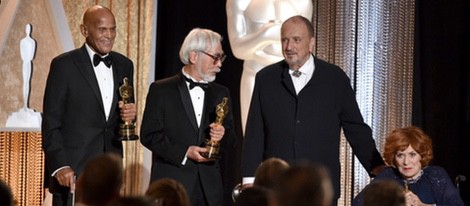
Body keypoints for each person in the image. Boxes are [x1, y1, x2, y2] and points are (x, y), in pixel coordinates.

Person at [240, 15, 386, 206]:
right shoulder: (265, 79)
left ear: (311, 42)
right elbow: (254, 133)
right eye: (285, 40)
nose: (289, 46)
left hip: (320, 188)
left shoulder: (335, 78)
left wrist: (376, 166)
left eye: (296, 40)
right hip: (276, 189)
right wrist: (249, 180)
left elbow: (356, 128)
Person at [42, 5, 136, 206]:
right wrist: (60, 166)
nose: (109, 35)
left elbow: (119, 119)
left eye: (113, 29)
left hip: (109, 175)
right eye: (102, 29)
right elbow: (51, 122)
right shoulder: (63, 65)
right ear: (85, 30)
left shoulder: (124, 64)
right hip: (72, 174)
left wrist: (130, 116)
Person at [140, 28, 236, 206]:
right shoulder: (161, 90)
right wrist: (185, 152)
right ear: (194, 56)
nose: (220, 64)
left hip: (210, 191)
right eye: (215, 57)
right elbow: (149, 135)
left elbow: (231, 138)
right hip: (173, 189)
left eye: (221, 57)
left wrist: (222, 136)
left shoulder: (221, 93)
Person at [226, 0, 313, 133]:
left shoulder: (302, 3)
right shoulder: (240, 2)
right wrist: (266, 34)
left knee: (291, 134)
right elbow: (238, 49)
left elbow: (305, 47)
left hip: (291, 74)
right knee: (253, 134)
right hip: (254, 72)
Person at [352, 126, 465, 206]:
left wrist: (422, 205)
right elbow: (357, 204)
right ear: (394, 157)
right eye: (400, 155)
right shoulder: (387, 176)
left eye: (412, 155)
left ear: (422, 155)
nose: (406, 162)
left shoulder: (435, 175)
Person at [20, 23, 36, 110]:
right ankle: (24, 104)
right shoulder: (22, 41)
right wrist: (25, 58)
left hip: (29, 62)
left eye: (28, 28)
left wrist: (27, 58)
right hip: (25, 62)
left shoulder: (32, 42)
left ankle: (26, 104)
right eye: (27, 28)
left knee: (27, 81)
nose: (27, 30)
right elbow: (22, 53)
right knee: (24, 81)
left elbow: (32, 55)